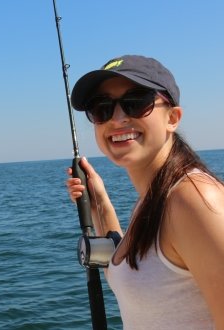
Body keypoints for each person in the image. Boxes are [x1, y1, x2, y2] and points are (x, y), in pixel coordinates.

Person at [66, 55, 224, 329]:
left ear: (172, 118)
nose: (116, 119)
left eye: (136, 103)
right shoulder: (155, 200)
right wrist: (100, 204)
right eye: (101, 108)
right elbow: (128, 273)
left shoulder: (193, 200)